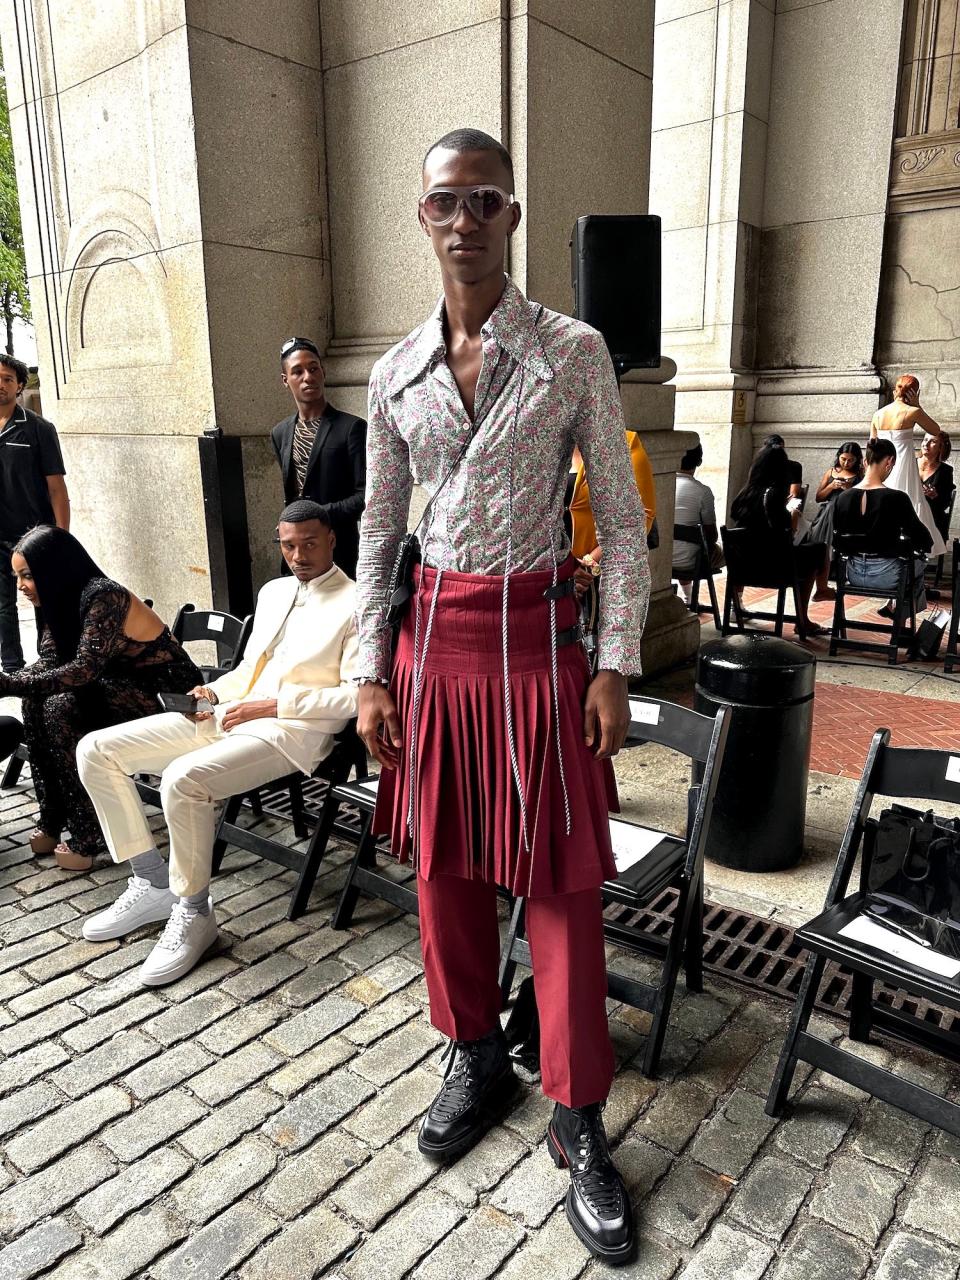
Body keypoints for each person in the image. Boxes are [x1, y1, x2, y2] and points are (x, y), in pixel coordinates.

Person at [355, 128, 648, 1265]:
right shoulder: (392, 375)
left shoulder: (573, 351)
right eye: (444, 199)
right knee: (443, 871)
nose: (464, 217)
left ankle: (578, 1115)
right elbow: (381, 531)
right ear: (420, 217)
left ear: (513, 215)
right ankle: (475, 1052)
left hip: (540, 649)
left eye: (484, 198)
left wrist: (614, 660)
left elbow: (621, 527)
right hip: (433, 650)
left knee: (564, 889)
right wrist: (370, 670)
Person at [75, 501, 359, 986]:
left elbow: (354, 697)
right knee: (95, 750)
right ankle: (151, 880)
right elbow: (250, 669)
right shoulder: (273, 592)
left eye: (310, 543)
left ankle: (194, 912)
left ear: (332, 539)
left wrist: (268, 707)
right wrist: (214, 691)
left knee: (183, 781)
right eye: (288, 545)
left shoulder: (357, 602)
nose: (299, 554)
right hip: (228, 714)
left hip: (293, 732)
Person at [0, 527, 201, 871]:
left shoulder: (103, 597)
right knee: (33, 701)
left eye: (28, 575)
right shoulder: (57, 598)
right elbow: (50, 662)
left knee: (60, 707)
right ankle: (52, 816)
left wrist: (7, 683)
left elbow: (83, 671)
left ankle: (87, 835)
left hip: (169, 695)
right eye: (17, 576)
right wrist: (12, 683)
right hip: (115, 684)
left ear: (55, 568)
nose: (20, 586)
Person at [271, 338, 367, 578]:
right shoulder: (280, 432)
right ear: (286, 380)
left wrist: (319, 516)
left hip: (339, 552)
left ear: (323, 372)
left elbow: (366, 496)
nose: (308, 377)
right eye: (298, 371)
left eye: (313, 368)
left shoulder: (351, 428)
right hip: (297, 557)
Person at [0, 354, 70, 673]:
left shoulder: (39, 429)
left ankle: (49, 662)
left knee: (43, 600)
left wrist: (61, 536)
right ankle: (12, 668)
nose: (0, 385)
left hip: (33, 535)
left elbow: (56, 487)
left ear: (19, 386)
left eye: (7, 379)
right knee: (2, 605)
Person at [728, 446, 831, 637]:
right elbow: (787, 534)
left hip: (742, 566)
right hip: (773, 568)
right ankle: (805, 615)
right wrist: (792, 515)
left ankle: (805, 615)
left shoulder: (744, 494)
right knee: (818, 550)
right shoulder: (773, 494)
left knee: (809, 554)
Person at [834, 437, 933, 612]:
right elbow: (924, 539)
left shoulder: (843, 497)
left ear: (865, 462)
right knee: (919, 565)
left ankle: (895, 611)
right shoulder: (896, 498)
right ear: (890, 461)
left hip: (852, 573)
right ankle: (899, 619)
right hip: (888, 576)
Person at [869, 374, 945, 558]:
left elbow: (871, 444)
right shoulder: (913, 412)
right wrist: (917, 404)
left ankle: (880, 547)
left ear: (895, 390)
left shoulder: (878, 414)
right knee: (909, 501)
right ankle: (913, 551)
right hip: (903, 463)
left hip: (882, 464)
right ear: (915, 392)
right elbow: (936, 430)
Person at [569, 430, 656, 587]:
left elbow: (643, 514)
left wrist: (590, 562)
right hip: (546, 571)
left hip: (601, 572)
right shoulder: (539, 441)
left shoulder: (625, 442)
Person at [672, 442, 723, 601]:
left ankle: (688, 596)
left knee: (683, 544)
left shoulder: (662, 486)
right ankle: (735, 605)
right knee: (715, 549)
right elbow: (711, 535)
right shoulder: (702, 491)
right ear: (699, 462)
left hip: (659, 559)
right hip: (690, 562)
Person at [806, 441, 865, 550]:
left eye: (851, 460)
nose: (846, 463)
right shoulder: (831, 472)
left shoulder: (860, 473)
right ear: (838, 456)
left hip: (848, 514)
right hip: (828, 514)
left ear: (857, 460)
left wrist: (849, 489)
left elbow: (863, 501)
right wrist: (831, 486)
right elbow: (818, 498)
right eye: (843, 459)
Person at [918, 431, 953, 543]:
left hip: (933, 516)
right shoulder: (910, 464)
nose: (926, 444)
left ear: (940, 448)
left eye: (932, 441)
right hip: (910, 513)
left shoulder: (945, 471)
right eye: (925, 439)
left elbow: (946, 502)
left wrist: (935, 496)